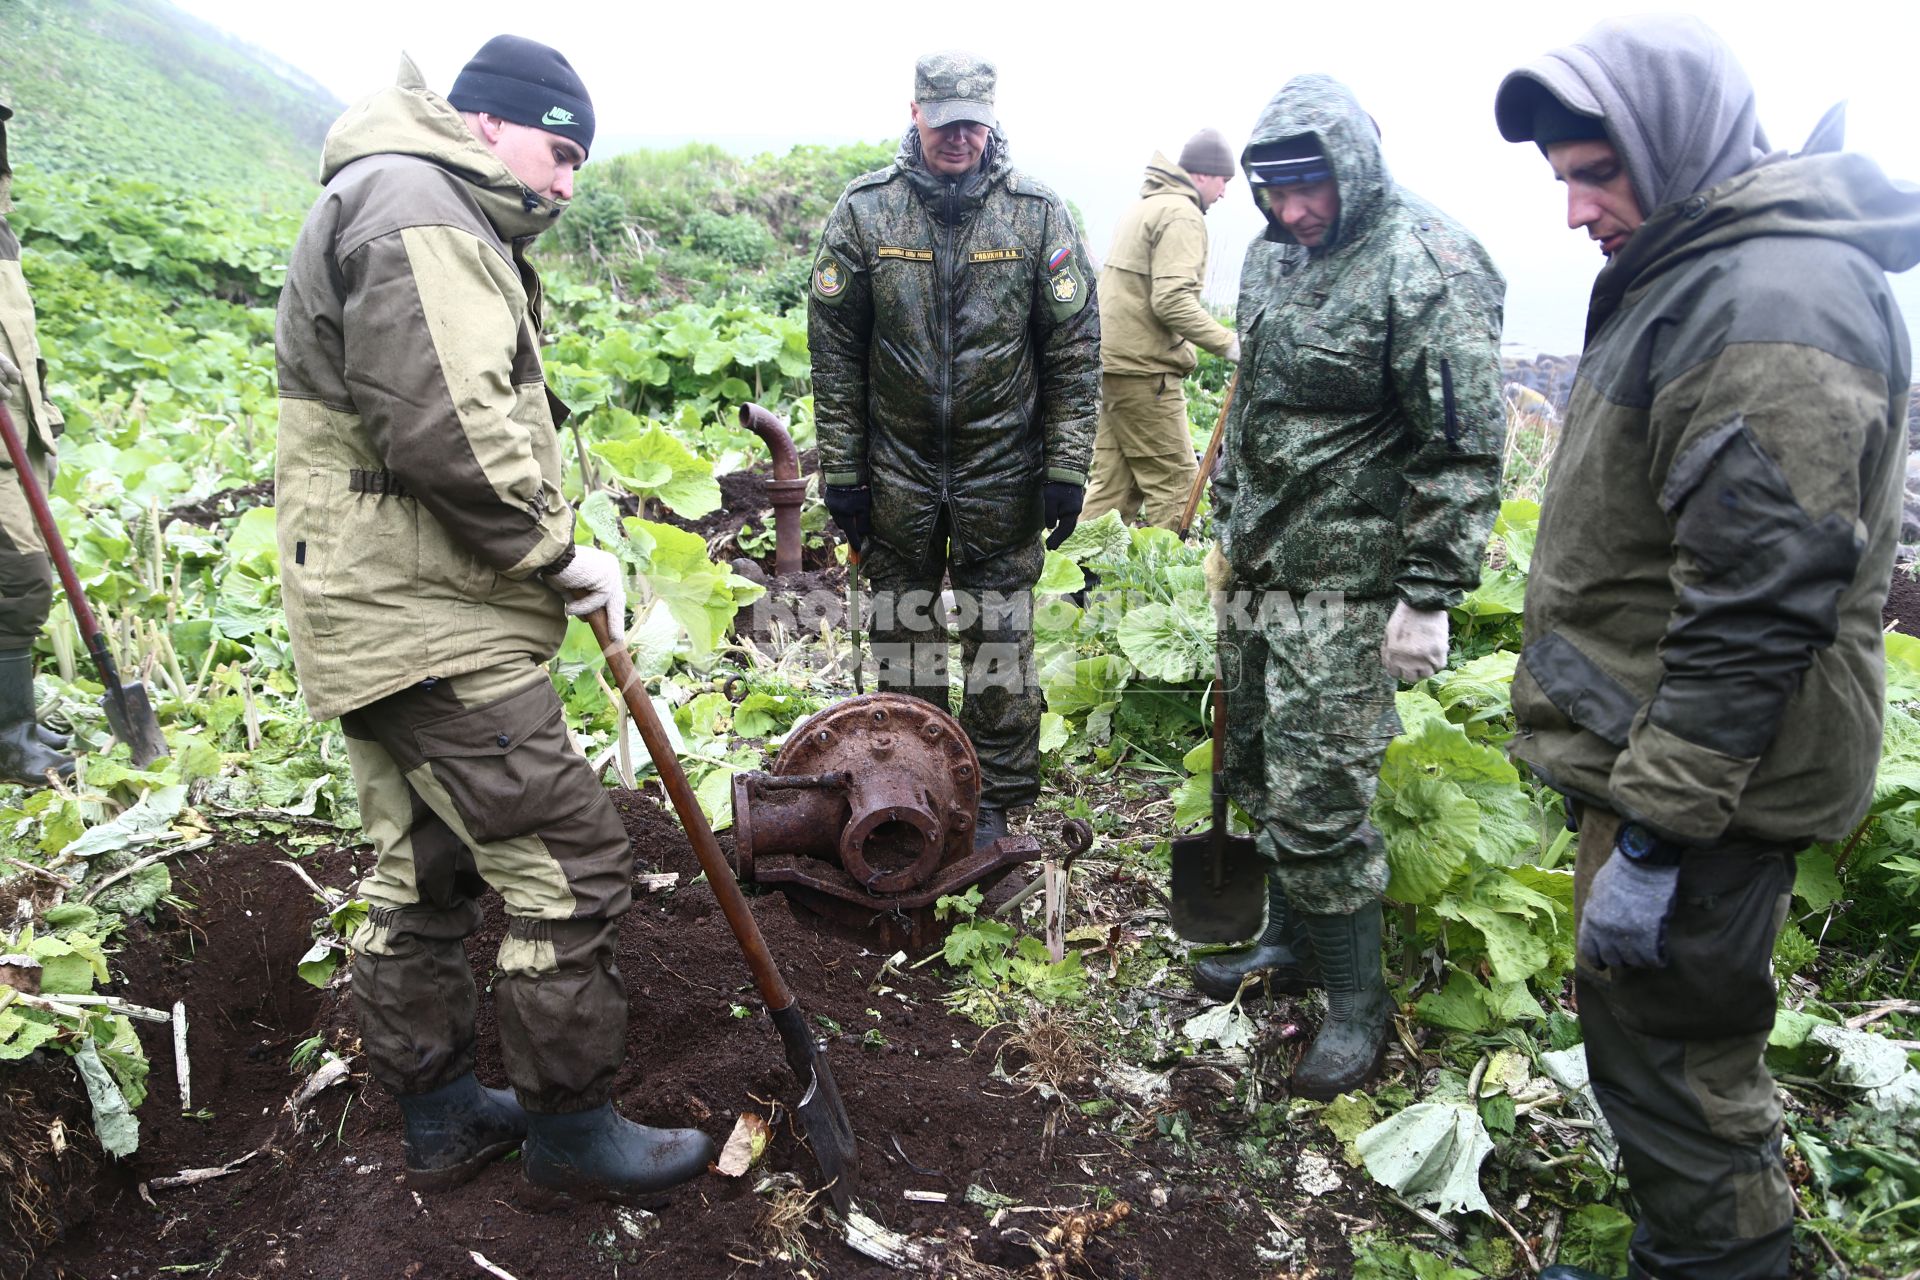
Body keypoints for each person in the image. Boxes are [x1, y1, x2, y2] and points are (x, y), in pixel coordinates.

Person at [1494, 17, 1919, 1280]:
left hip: (1710, 787)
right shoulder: (1708, 266)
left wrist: (1656, 834)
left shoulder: (1766, 299)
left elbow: (1755, 603)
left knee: (1681, 1065)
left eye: (1595, 173)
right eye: (1562, 178)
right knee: (1652, 1048)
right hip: (1670, 762)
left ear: (1675, 146)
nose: (1575, 209)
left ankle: (1726, 1265)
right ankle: (1681, 1254)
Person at [274, 35, 713, 1204]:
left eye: (580, 163)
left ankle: (442, 1114)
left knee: (423, 871)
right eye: (559, 150)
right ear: (484, 121)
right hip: (428, 613)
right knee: (570, 865)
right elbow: (446, 424)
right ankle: (573, 1138)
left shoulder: (398, 191)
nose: (569, 183)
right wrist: (554, 551)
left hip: (378, 605)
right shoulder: (421, 203)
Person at [1198, 76, 1505, 1100]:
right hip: (1261, 563)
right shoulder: (1271, 253)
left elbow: (1460, 448)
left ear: (1356, 165)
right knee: (1254, 764)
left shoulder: (1429, 263)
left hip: (1354, 580)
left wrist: (1429, 592)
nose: (1293, 212)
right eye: (1274, 193)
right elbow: (1252, 400)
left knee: (1323, 800)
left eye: (1310, 189)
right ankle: (1286, 938)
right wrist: (1228, 514)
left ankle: (1357, 1005)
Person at [808, 52, 1100, 849]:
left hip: (1001, 471)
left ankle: (997, 799)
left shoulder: (1037, 215)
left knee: (1000, 643)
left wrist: (1067, 468)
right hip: (896, 470)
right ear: (915, 114)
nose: (960, 138)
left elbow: (1074, 352)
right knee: (904, 636)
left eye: (973, 122)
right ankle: (913, 786)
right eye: (945, 123)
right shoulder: (867, 213)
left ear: (992, 117)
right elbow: (835, 353)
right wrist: (843, 475)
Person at [1082, 129, 1239, 530]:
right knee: (1178, 488)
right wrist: (1232, 344)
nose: (1224, 194)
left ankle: (1072, 591)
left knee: (1111, 492)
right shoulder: (1182, 214)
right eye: (1225, 181)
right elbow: (1171, 300)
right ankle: (1172, 581)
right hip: (1145, 371)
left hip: (1113, 366)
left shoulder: (1145, 206)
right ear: (1205, 174)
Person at [0, 99, 76, 786]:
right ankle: (5, 735)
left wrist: (42, 407)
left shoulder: (2, 238)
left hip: (18, 435)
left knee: (20, 580)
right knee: (16, 579)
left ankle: (11, 720)